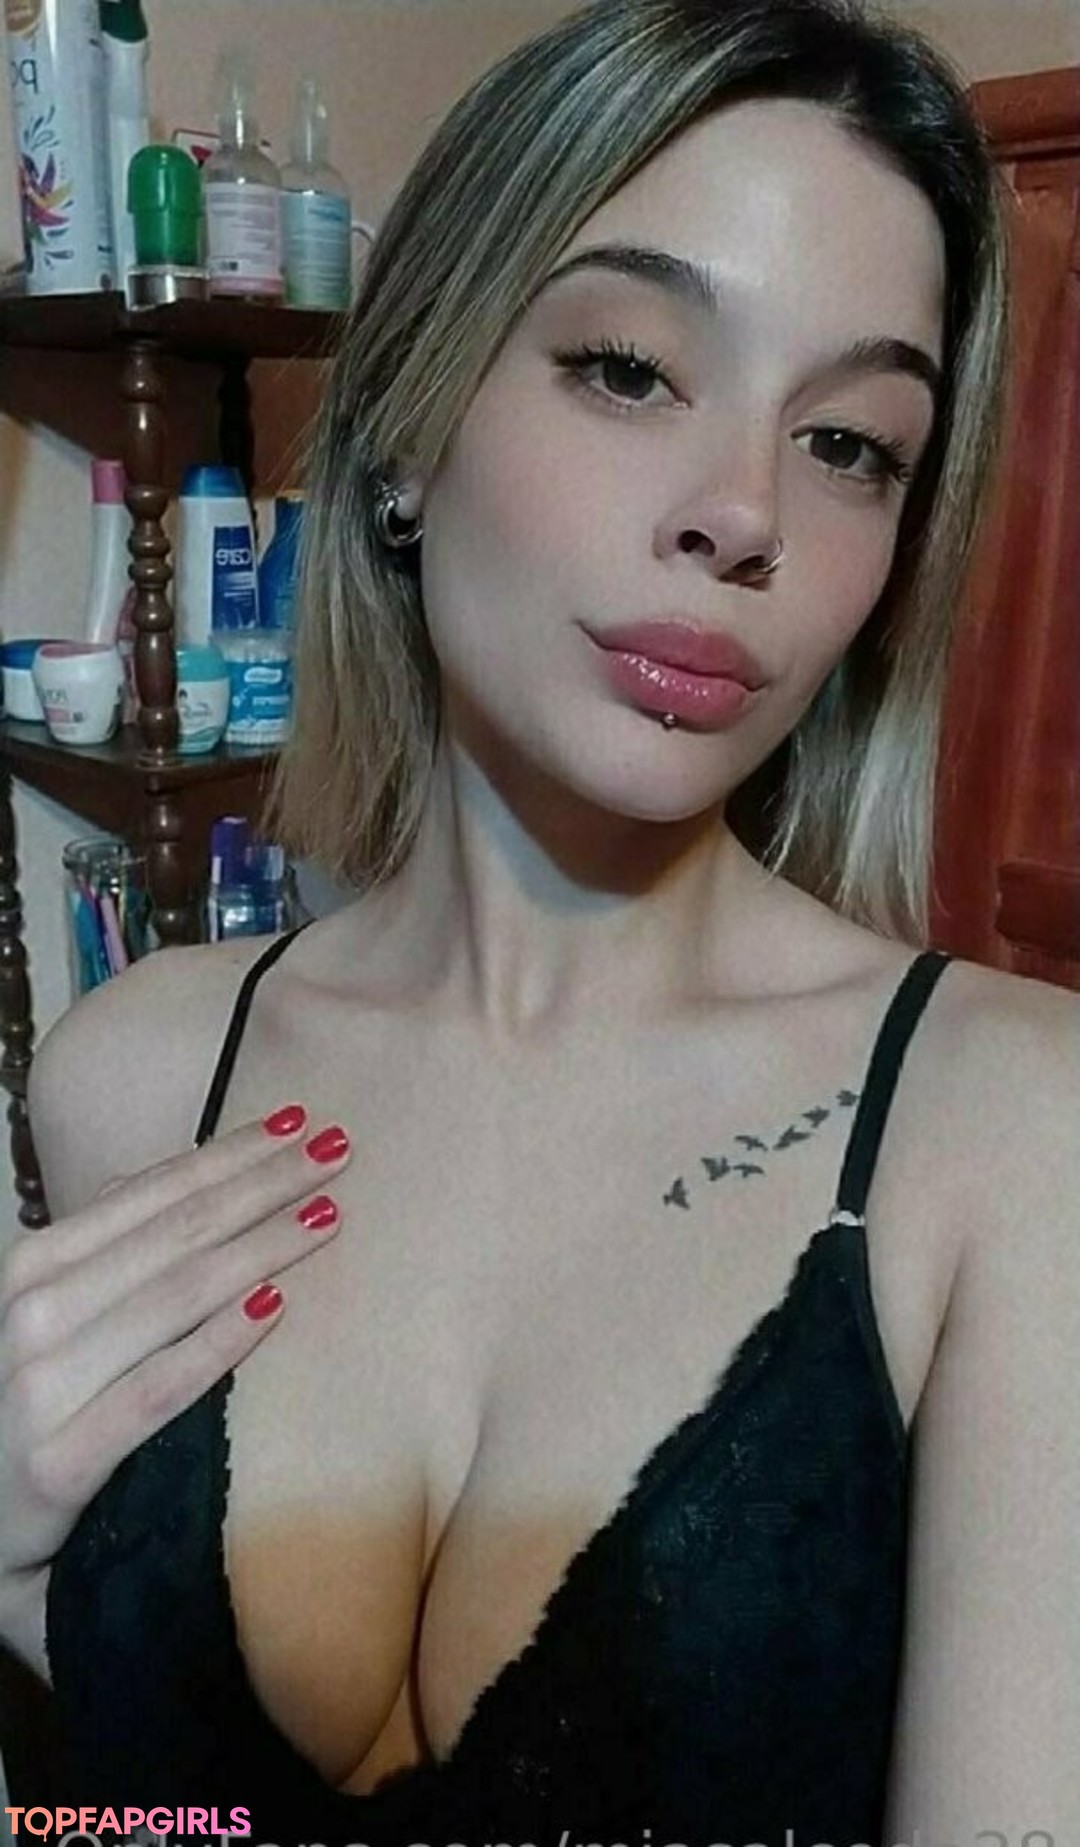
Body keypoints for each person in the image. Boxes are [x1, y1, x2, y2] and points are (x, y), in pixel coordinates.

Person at [2, 0, 1077, 1841]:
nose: (743, 513)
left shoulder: (1009, 1132)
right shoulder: (140, 1079)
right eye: (632, 369)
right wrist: (38, 1619)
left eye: (850, 444)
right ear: (408, 433)